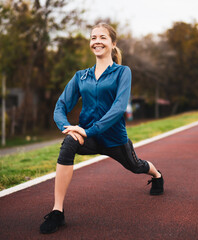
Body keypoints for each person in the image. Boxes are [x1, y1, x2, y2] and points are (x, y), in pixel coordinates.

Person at [39, 23, 164, 234]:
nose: (97, 41)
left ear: (113, 43)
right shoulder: (81, 76)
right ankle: (57, 211)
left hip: (114, 139)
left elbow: (118, 108)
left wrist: (89, 130)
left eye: (103, 37)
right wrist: (68, 128)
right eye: (93, 37)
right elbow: (61, 106)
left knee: (136, 166)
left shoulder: (123, 72)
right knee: (68, 144)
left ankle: (157, 175)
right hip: (88, 136)